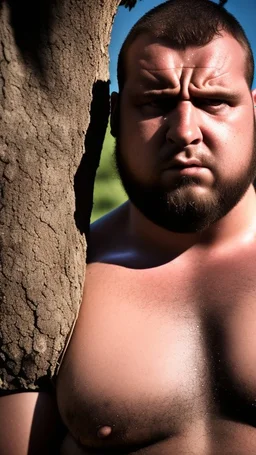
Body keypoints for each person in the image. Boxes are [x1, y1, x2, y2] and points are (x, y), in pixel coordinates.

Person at [1, 0, 256, 453]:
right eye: (155, 103)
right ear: (114, 116)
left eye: (213, 101)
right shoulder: (60, 284)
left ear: (254, 111)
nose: (184, 130)